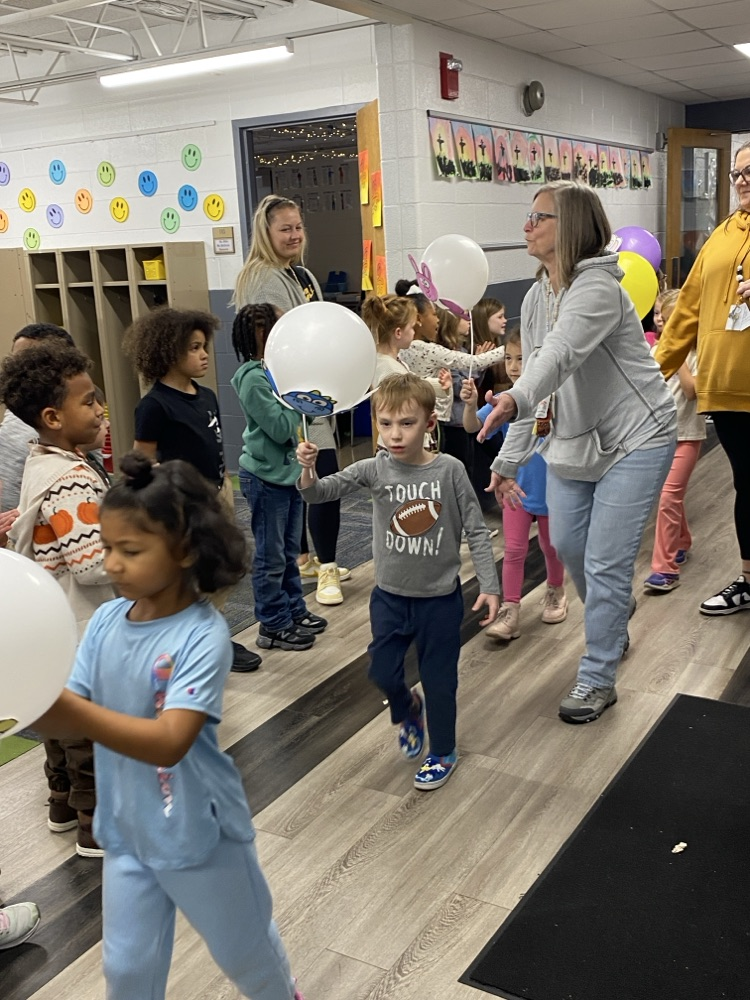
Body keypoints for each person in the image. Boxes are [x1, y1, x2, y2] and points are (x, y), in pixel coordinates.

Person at [34, 452, 304, 1000]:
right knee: (128, 971)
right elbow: (73, 706)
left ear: (184, 549)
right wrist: (35, 704)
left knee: (245, 954)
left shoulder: (201, 637)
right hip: (127, 831)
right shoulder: (108, 620)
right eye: (107, 547)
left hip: (201, 835)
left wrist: (66, 711)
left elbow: (171, 740)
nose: (110, 564)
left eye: (129, 551)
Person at [478, 181, 676, 724]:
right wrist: (506, 460)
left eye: (537, 217)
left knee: (607, 563)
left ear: (570, 229)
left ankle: (598, 674)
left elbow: (558, 357)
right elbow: (539, 384)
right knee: (566, 543)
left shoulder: (597, 288)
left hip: (638, 435)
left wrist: (514, 398)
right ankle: (613, 615)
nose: (526, 225)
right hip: (575, 440)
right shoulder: (538, 294)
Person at [296, 372, 500, 790]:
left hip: (440, 601)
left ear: (429, 424)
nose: (394, 434)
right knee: (382, 673)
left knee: (441, 680)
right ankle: (408, 708)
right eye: (385, 423)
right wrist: (308, 471)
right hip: (388, 597)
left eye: (406, 423)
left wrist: (491, 585)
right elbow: (317, 495)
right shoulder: (374, 469)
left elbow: (477, 530)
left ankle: (442, 750)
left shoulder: (450, 470)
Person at [0, 340, 114, 856]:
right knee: (87, 731)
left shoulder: (43, 460)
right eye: (88, 402)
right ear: (52, 417)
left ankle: (62, 803)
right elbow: (91, 566)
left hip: (54, 626)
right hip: (81, 625)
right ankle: (95, 825)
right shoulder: (70, 481)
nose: (100, 409)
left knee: (57, 725)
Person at [123, 306, 261, 673]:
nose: (203, 355)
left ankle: (211, 634)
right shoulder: (154, 406)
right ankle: (192, 644)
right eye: (194, 348)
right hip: (184, 506)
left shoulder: (206, 396)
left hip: (217, 494)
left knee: (222, 571)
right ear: (169, 353)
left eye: (204, 346)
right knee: (193, 578)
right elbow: (143, 464)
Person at [232, 195, 345, 606]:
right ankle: (327, 567)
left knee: (304, 479)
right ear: (267, 233)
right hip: (291, 395)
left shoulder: (301, 273)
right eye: (285, 228)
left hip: (315, 388)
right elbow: (278, 344)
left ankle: (306, 559)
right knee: (321, 474)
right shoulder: (261, 277)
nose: (295, 234)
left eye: (298, 227)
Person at [655, 140, 750, 616]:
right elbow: (687, 309)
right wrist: (658, 375)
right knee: (747, 486)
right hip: (727, 390)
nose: (741, 180)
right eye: (736, 173)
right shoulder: (722, 235)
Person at [231, 304, 328, 651]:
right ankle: (272, 624)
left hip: (288, 476)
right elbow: (279, 427)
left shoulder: (278, 372)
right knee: (270, 555)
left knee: (289, 551)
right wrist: (298, 402)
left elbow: (305, 419)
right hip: (264, 477)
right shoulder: (252, 378)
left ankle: (293, 610)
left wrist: (300, 401)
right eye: (266, 329)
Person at [461, 328, 567, 639]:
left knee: (551, 547)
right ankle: (510, 608)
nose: (514, 365)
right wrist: (469, 405)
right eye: (508, 358)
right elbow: (474, 426)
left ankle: (556, 591)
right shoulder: (505, 400)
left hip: (551, 488)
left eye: (521, 358)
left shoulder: (554, 395)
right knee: (514, 550)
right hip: (513, 488)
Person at [644, 290, 705, 592]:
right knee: (668, 496)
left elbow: (692, 390)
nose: (662, 325)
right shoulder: (656, 351)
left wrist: (677, 354)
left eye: (670, 321)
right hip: (660, 437)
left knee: (669, 497)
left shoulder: (699, 353)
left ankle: (665, 569)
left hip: (688, 436)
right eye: (660, 318)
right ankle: (682, 540)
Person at [0, 323, 75, 513]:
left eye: (28, 364)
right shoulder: (16, 413)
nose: (17, 372)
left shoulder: (71, 421)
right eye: (15, 362)